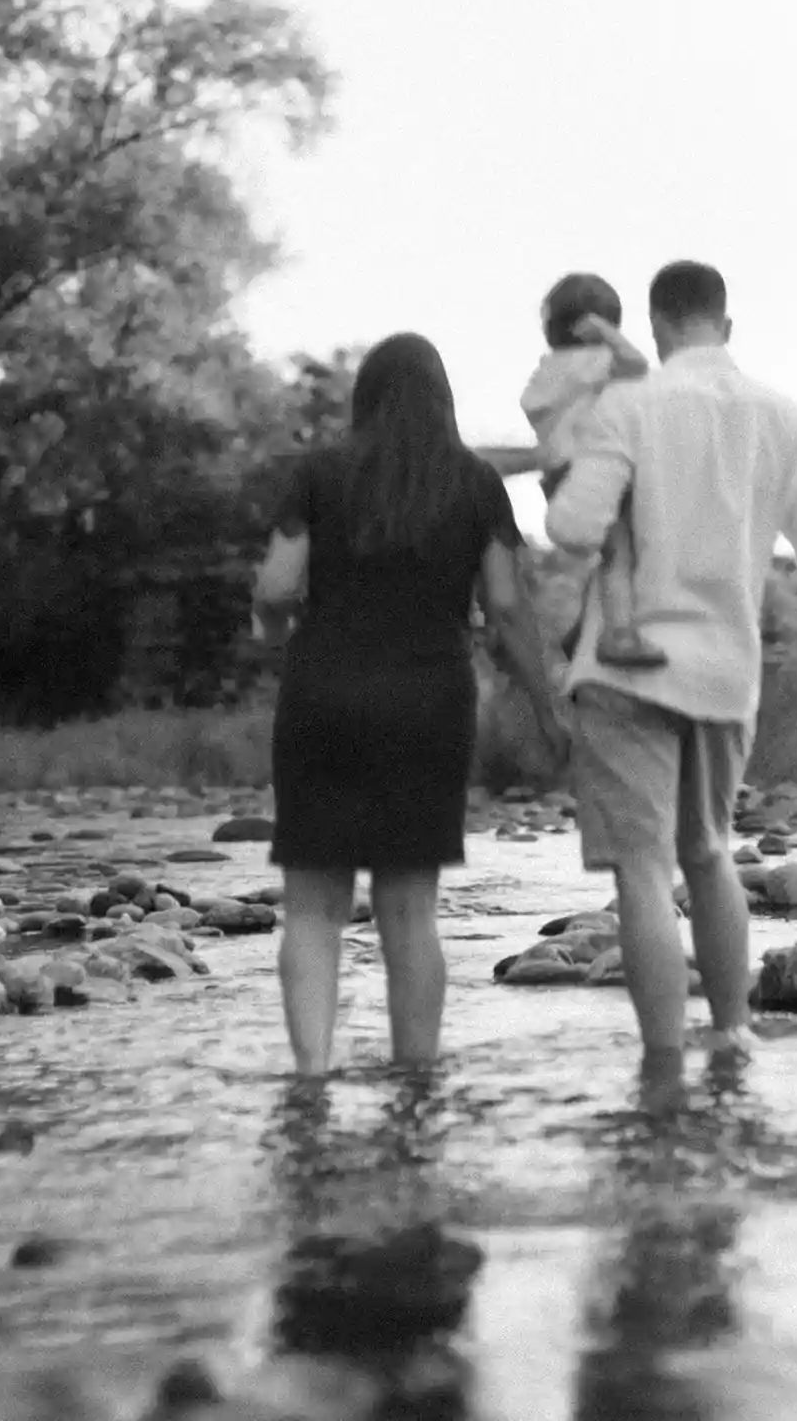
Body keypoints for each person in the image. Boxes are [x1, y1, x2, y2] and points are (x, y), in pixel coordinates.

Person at [545, 260, 797, 1089]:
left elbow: (573, 525)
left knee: (644, 870)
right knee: (710, 852)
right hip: (727, 674)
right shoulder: (784, 418)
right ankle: (732, 1041)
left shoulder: (630, 405)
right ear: (725, 327)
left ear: (656, 327)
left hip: (626, 677)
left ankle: (662, 1066)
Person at [252, 332, 568, 1077]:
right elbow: (506, 608)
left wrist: (270, 632)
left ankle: (310, 1078)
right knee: (409, 910)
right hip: (428, 701)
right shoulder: (474, 483)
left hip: (323, 693)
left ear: (364, 399)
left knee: (313, 906)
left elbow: (274, 587)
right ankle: (417, 1080)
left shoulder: (317, 476)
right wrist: (549, 705)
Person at [520, 272, 666, 670]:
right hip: (587, 470)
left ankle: (581, 628)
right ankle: (618, 635)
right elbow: (638, 366)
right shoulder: (595, 361)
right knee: (621, 551)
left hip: (554, 475)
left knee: (603, 557)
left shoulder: (546, 371)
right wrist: (606, 335)